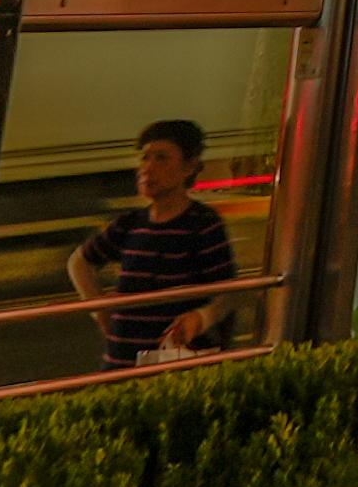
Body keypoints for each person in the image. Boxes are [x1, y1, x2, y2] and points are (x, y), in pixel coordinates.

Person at [71, 117, 247, 366]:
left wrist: (201, 317)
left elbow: (228, 293)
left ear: (189, 167)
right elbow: (80, 263)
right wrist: (102, 312)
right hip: (122, 361)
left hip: (176, 361)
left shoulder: (203, 224)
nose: (147, 167)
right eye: (145, 157)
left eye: (161, 158)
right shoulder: (130, 223)